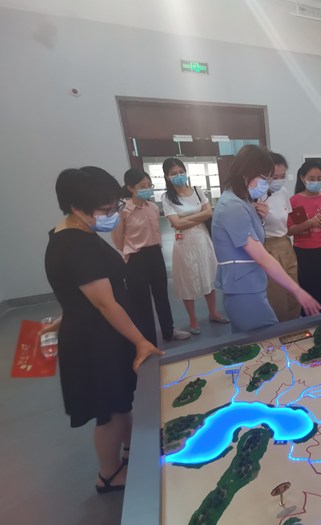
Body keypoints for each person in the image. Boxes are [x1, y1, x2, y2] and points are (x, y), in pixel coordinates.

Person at [43, 166, 163, 494]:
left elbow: (76, 290)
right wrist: (141, 341)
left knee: (121, 400)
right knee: (111, 409)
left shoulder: (70, 232)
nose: (113, 214)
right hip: (98, 339)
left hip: (97, 329)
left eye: (115, 206)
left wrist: (65, 315)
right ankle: (109, 474)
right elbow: (104, 303)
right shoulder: (77, 245)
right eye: (106, 209)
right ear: (76, 207)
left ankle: (131, 453)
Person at [211, 145, 321, 332]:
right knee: (264, 337)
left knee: (257, 338)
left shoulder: (243, 201)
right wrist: (298, 290)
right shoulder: (232, 206)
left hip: (250, 282)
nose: (267, 183)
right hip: (244, 287)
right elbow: (261, 257)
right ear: (246, 173)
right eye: (265, 178)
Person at [111, 168, 190, 344]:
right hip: (135, 258)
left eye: (149, 185)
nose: (147, 189)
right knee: (141, 301)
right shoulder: (123, 211)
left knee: (162, 296)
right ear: (130, 188)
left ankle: (169, 331)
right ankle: (147, 340)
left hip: (155, 254)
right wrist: (128, 252)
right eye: (142, 186)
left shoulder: (153, 207)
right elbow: (117, 239)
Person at [161, 158, 228, 334]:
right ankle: (193, 320)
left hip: (202, 239)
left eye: (181, 172)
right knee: (187, 281)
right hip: (183, 242)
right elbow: (176, 224)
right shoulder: (167, 198)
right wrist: (198, 217)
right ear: (167, 177)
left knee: (208, 275)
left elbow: (209, 212)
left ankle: (213, 313)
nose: (179, 176)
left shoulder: (197, 191)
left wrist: (185, 219)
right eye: (174, 173)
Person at [288, 161, 321, 313]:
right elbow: (290, 230)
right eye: (312, 179)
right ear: (302, 178)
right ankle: (309, 322)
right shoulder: (294, 200)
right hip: (303, 253)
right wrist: (309, 223)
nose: (316, 182)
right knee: (308, 290)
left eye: (319, 178)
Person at [262, 152, 301, 321]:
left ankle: (294, 326)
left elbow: (287, 219)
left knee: (293, 291)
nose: (278, 180)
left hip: (285, 244)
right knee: (277, 295)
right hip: (267, 246)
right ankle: (280, 330)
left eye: (282, 176)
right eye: (274, 177)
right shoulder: (257, 194)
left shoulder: (283, 192)